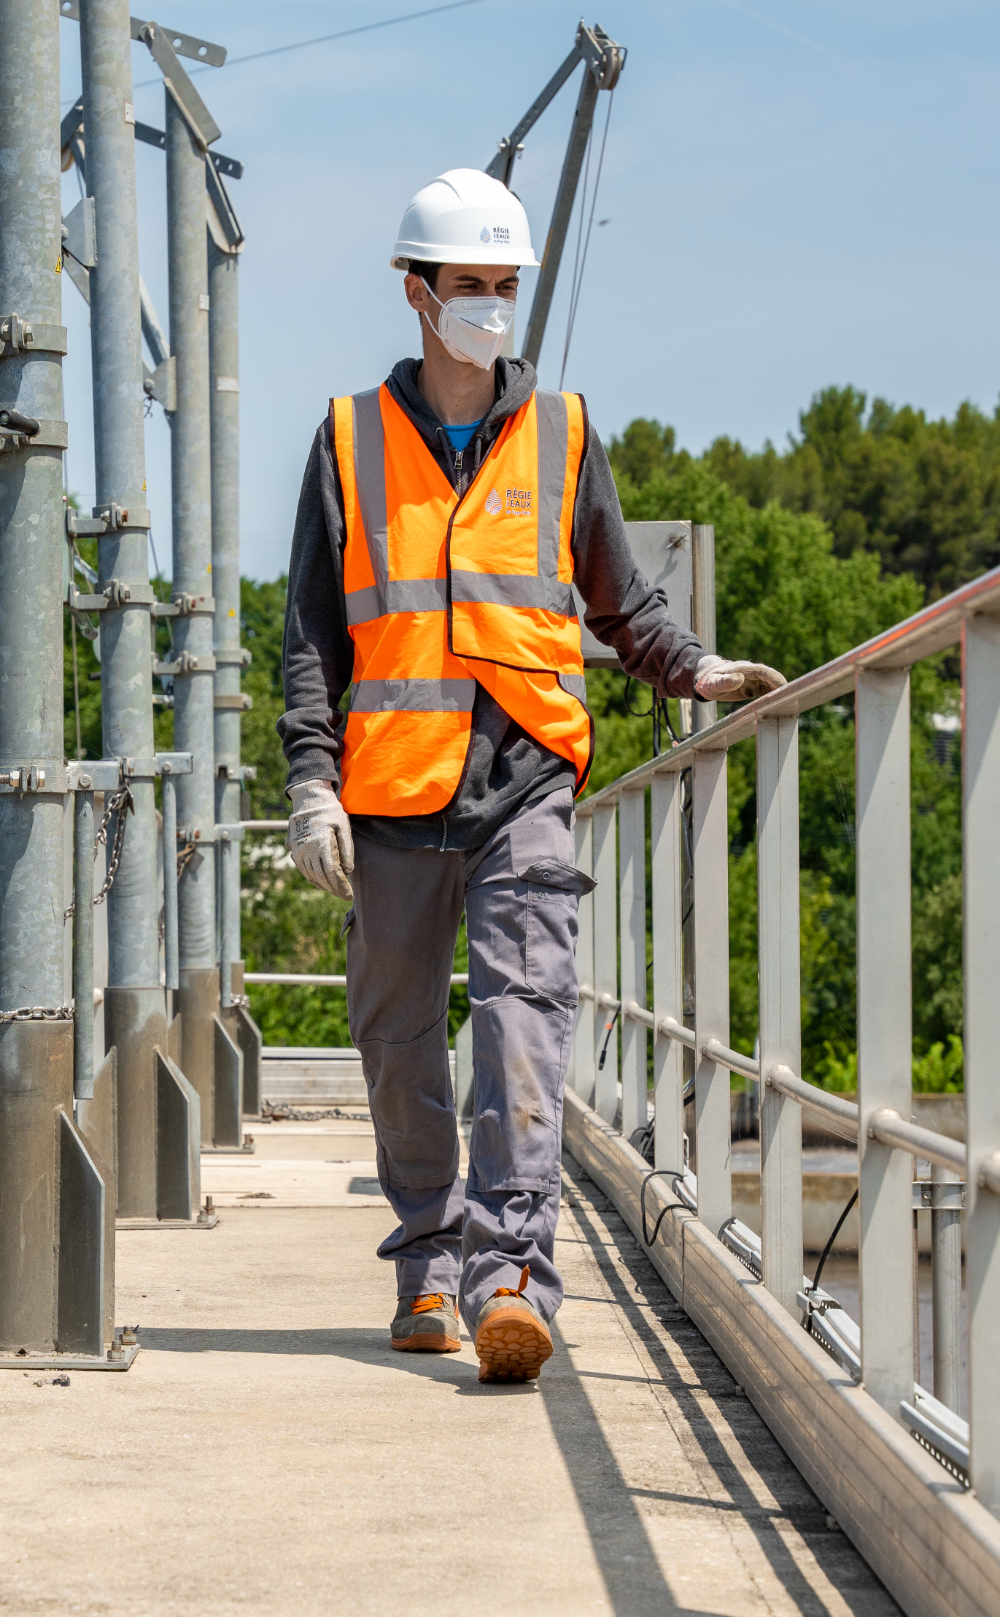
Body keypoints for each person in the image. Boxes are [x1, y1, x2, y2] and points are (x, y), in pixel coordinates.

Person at [278, 168, 784, 1384]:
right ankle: (426, 1263)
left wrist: (695, 669)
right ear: (416, 291)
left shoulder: (562, 431)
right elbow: (310, 636)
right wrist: (310, 782)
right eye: (470, 287)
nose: (491, 308)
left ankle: (511, 1276)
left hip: (526, 777)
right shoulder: (350, 439)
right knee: (399, 1041)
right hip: (394, 788)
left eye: (507, 288)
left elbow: (621, 598)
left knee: (521, 1023)